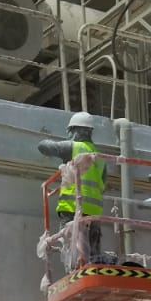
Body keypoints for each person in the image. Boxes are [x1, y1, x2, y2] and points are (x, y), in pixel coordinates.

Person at [38, 111, 105, 260]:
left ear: (74, 130)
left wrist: (46, 138)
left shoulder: (73, 147)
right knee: (93, 254)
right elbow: (103, 183)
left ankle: (73, 270)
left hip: (73, 208)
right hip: (94, 212)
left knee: (73, 252)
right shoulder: (99, 156)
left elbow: (42, 146)